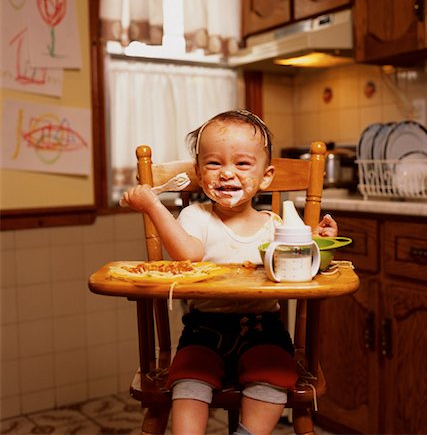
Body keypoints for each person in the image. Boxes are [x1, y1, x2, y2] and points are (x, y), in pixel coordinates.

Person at [121, 109, 338, 435]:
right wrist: (154, 206)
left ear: (265, 177)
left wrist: (319, 242)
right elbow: (189, 255)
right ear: (198, 171)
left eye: (242, 164)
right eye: (213, 163)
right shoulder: (196, 217)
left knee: (274, 373)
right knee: (188, 378)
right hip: (204, 331)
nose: (226, 173)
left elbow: (300, 269)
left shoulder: (275, 227)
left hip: (264, 330)